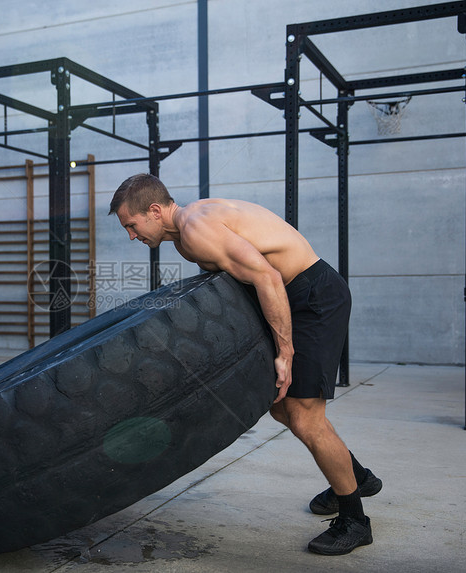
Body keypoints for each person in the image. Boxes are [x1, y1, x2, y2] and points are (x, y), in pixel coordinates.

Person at [109, 173, 382, 556]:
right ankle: (357, 478)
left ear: (154, 211)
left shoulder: (195, 231)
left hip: (313, 297)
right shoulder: (188, 231)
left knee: (305, 416)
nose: (132, 236)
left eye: (132, 226)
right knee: (281, 407)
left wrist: (285, 353)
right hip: (296, 295)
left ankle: (355, 521)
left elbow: (268, 278)